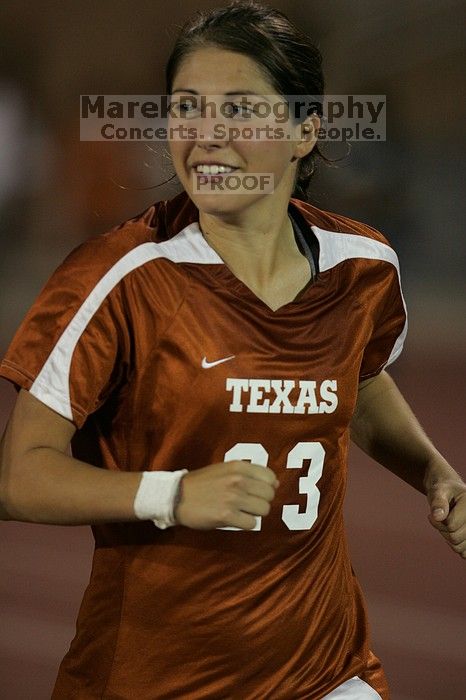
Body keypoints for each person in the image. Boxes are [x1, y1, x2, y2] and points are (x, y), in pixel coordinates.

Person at [0, 2, 465, 698]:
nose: (206, 136)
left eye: (240, 109)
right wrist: (174, 493)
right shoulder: (120, 277)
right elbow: (19, 477)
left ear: (304, 130)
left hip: (327, 672)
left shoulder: (363, 266)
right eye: (187, 107)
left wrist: (433, 472)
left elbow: (357, 379)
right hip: (153, 681)